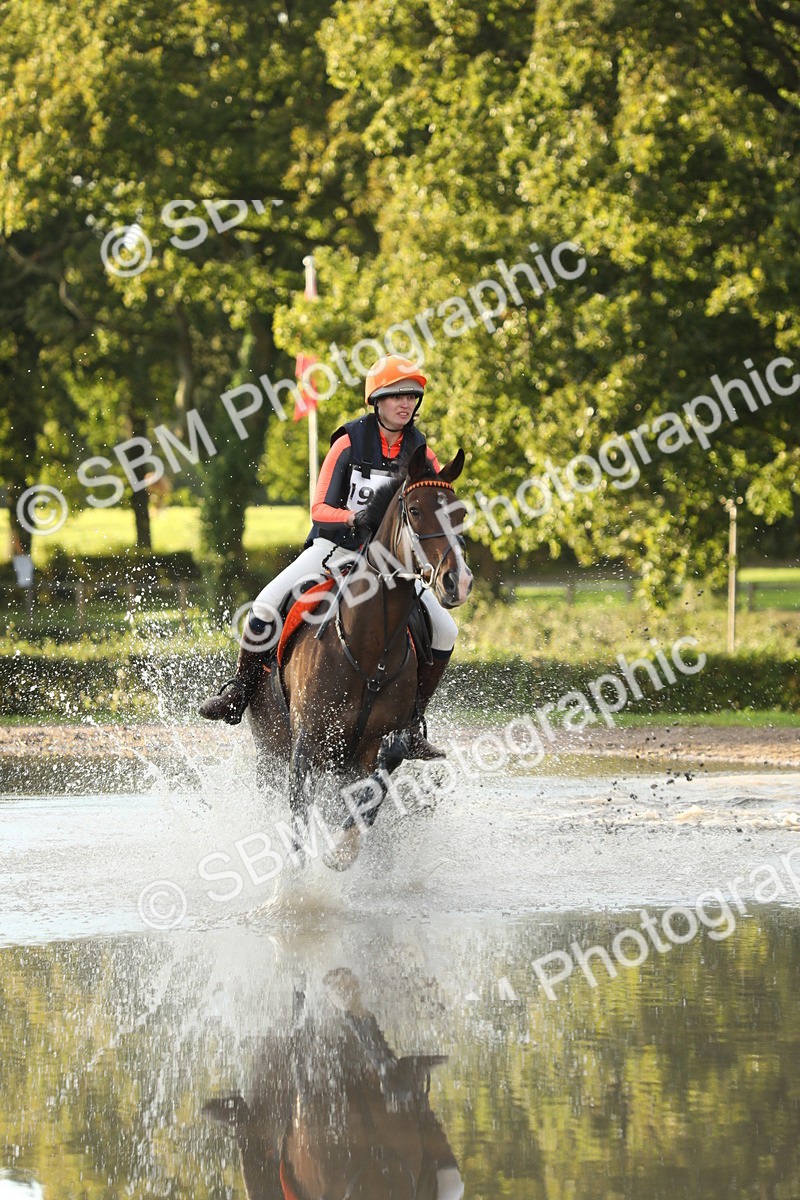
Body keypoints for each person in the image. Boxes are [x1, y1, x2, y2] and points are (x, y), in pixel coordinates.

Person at [199, 354, 459, 758]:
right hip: (333, 547)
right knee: (266, 605)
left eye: (411, 397)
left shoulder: (420, 449)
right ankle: (239, 691)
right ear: (376, 400)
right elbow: (319, 508)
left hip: (390, 562)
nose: (405, 404)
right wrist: (356, 517)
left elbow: (432, 491)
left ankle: (410, 723)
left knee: (446, 631)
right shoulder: (349, 441)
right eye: (395, 397)